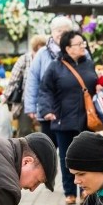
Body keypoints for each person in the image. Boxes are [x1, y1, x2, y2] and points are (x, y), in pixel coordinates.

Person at [38, 30, 103, 205]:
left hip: (86, 119)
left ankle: (85, 191)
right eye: (79, 44)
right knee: (67, 157)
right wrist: (46, 110)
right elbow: (45, 91)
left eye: (84, 43)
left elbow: (95, 83)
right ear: (68, 48)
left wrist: (99, 87)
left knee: (85, 157)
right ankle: (69, 192)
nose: (83, 47)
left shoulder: (89, 64)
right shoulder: (55, 66)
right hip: (63, 119)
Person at [24, 16, 75, 146]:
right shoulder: (42, 53)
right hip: (47, 109)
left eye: (65, 30)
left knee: (69, 151)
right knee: (48, 147)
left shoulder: (78, 51)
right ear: (52, 32)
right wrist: (30, 107)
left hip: (71, 110)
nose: (61, 33)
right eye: (58, 30)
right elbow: (33, 79)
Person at [6, 35, 47, 137]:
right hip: (26, 100)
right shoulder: (24, 59)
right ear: (34, 49)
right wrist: (6, 96)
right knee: (25, 131)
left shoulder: (48, 60)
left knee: (43, 131)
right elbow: (13, 79)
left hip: (44, 100)